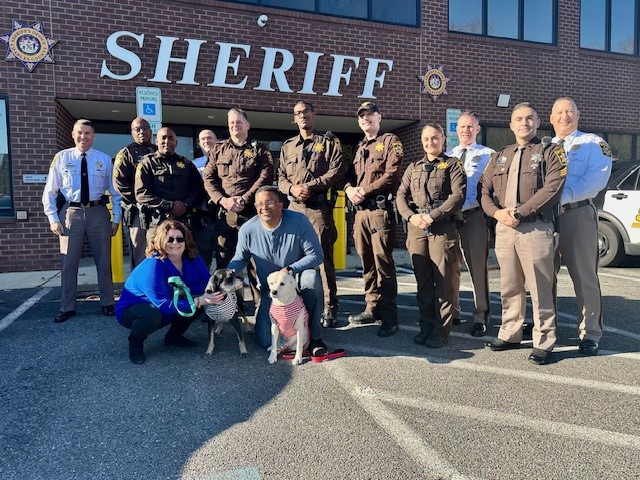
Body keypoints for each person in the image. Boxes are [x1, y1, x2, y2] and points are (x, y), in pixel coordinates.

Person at [480, 103, 566, 365]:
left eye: (529, 118)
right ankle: (510, 333)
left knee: (540, 287)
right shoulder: (499, 156)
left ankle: (544, 340)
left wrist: (520, 212)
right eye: (518, 119)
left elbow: (553, 188)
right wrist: (496, 213)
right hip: (505, 228)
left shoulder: (552, 151)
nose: (524, 123)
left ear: (538, 122)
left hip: (536, 227)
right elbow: (483, 190)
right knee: (509, 284)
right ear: (511, 124)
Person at [227, 185, 328, 356]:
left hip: (295, 284)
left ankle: (315, 337)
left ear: (281, 205)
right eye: (259, 204)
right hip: (271, 292)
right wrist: (225, 275)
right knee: (266, 341)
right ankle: (267, 316)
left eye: (269, 202)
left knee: (311, 278)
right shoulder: (247, 229)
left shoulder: (299, 221)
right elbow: (239, 259)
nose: (264, 207)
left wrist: (290, 269)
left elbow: (317, 255)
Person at [42, 119, 122, 323]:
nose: (83, 137)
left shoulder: (103, 159)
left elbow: (115, 193)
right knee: (68, 262)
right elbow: (50, 192)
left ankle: (107, 303)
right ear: (72, 134)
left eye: (87, 133)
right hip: (71, 213)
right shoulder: (61, 157)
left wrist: (116, 218)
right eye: (80, 132)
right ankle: (67, 307)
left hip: (98, 213)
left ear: (93, 136)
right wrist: (52, 218)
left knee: (104, 261)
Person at [550, 97, 612, 356]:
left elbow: (596, 179)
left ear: (578, 115)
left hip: (577, 215)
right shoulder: (545, 147)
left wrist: (562, 196)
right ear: (551, 118)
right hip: (546, 218)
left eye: (570, 112)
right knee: (544, 276)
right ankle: (546, 328)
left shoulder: (593, 143)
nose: (565, 116)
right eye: (559, 112)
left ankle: (590, 333)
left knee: (585, 276)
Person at [397, 123, 466, 347]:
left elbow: (458, 196)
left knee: (444, 283)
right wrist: (410, 216)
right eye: (426, 139)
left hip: (442, 229)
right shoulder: (413, 168)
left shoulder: (453, 165)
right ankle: (425, 326)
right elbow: (400, 195)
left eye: (435, 138)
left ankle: (441, 331)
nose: (430, 143)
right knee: (423, 282)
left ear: (443, 139)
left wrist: (433, 216)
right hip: (417, 228)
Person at [278, 101, 345, 328]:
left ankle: (329, 306)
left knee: (323, 259)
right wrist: (292, 189)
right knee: (294, 258)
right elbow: (280, 177)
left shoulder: (327, 143)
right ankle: (297, 303)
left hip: (317, 209)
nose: (302, 116)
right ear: (294, 118)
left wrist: (311, 186)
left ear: (314, 114)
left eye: (306, 111)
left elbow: (337, 170)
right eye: (298, 113)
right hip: (294, 209)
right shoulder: (287, 146)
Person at [116, 219, 222, 364]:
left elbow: (207, 283)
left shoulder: (193, 258)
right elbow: (163, 306)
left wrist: (188, 290)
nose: (175, 243)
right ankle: (135, 343)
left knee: (199, 297)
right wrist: (198, 300)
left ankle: (174, 337)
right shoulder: (153, 265)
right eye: (170, 239)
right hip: (138, 310)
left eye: (180, 239)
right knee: (152, 313)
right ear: (160, 241)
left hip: (168, 305)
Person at [344, 102, 403, 337]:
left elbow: (391, 175)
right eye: (361, 116)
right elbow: (348, 175)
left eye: (370, 114)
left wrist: (364, 191)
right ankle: (372, 308)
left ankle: (390, 316)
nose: (365, 119)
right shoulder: (358, 147)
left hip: (379, 212)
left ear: (379, 116)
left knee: (383, 265)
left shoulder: (390, 141)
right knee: (367, 264)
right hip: (360, 214)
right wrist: (349, 189)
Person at [203, 108, 274, 304]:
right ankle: (229, 306)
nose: (235, 126)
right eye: (232, 123)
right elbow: (208, 179)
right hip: (225, 214)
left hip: (251, 213)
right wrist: (223, 200)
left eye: (239, 122)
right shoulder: (218, 149)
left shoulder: (260, 149)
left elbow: (266, 176)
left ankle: (262, 308)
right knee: (225, 261)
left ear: (247, 125)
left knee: (255, 262)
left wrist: (245, 198)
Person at [446, 112, 495, 337]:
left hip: (474, 216)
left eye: (470, 127)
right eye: (462, 126)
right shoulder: (448, 156)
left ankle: (480, 316)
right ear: (457, 130)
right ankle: (454, 312)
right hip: (449, 219)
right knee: (450, 267)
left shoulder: (489, 155)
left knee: (477, 268)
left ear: (477, 129)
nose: (466, 130)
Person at [135, 127, 206, 242]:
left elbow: (199, 190)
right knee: (157, 257)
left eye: (171, 138)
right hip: (157, 223)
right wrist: (169, 206)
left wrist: (185, 206)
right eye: (163, 138)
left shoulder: (186, 163)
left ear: (176, 142)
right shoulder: (147, 163)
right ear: (156, 141)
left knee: (185, 257)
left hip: (183, 223)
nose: (167, 141)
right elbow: (141, 193)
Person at [113, 117, 158, 269]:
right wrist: (140, 200)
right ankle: (138, 290)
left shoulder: (157, 151)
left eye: (145, 128)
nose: (141, 132)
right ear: (132, 132)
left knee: (159, 251)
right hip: (138, 211)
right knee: (140, 252)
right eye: (137, 129)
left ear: (151, 131)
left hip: (159, 210)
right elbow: (119, 183)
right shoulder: (126, 153)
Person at [191, 129, 219, 270]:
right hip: (203, 217)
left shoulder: (225, 161)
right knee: (203, 257)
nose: (206, 141)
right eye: (203, 139)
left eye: (209, 138)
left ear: (216, 140)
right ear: (199, 143)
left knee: (226, 256)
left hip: (223, 215)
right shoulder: (193, 165)